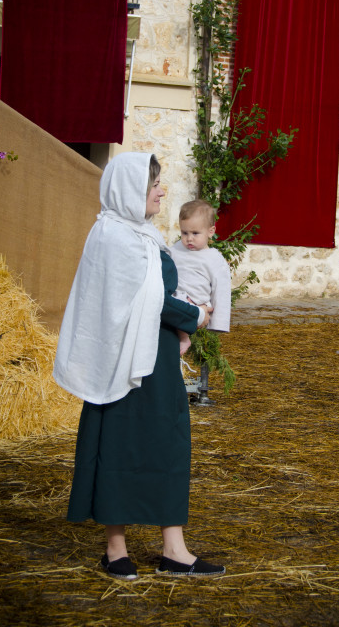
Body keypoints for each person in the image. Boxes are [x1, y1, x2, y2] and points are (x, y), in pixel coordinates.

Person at [53, 152, 226, 580]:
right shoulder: (113, 237)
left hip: (157, 359)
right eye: (154, 186)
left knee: (168, 446)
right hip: (121, 362)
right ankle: (116, 549)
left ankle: (174, 550)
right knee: (117, 447)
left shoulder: (143, 234)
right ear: (131, 191)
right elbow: (145, 301)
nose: (162, 191)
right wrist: (196, 317)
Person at [170, 199, 232, 355]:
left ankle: (184, 338)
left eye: (195, 233)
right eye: (184, 233)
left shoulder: (214, 258)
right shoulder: (176, 249)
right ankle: (181, 337)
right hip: (176, 295)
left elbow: (222, 290)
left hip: (197, 301)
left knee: (182, 306)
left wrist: (218, 323)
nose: (189, 238)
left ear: (211, 231)